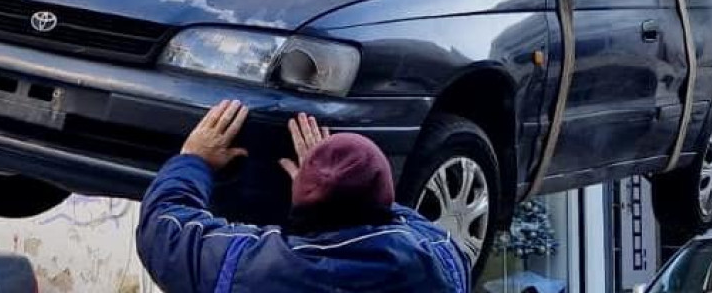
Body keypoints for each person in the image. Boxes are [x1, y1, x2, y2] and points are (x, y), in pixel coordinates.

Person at [136, 99, 471, 293]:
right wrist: (339, 182)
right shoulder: (442, 261)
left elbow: (163, 230)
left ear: (300, 196)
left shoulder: (250, 267)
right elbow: (404, 220)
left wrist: (193, 160)